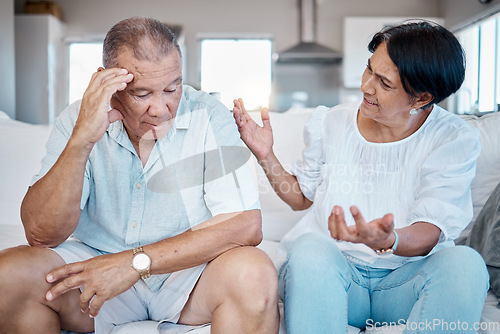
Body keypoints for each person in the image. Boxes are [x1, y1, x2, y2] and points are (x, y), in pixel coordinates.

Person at [0, 17, 279, 334]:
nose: (161, 108)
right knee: (7, 275)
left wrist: (135, 262)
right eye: (142, 93)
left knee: (255, 274)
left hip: (189, 274)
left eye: (172, 88)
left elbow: (245, 224)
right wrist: (82, 140)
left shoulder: (209, 115)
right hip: (97, 269)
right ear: (108, 84)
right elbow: (41, 235)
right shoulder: (76, 120)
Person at [233, 21, 489, 333]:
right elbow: (301, 198)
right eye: (369, 70)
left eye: (385, 83)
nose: (366, 86)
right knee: (310, 248)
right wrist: (265, 154)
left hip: (403, 284)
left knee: (466, 264)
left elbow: (430, 231)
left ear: (421, 99)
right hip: (337, 279)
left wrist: (389, 240)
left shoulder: (452, 138)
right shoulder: (333, 121)